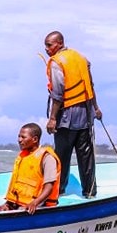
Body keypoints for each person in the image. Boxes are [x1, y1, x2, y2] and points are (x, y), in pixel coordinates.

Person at [44, 30, 101, 198]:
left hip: (67, 115)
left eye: (49, 45)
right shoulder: (81, 58)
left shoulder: (57, 62)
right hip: (85, 114)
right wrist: (96, 108)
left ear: (59, 44)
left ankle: (58, 191)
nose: (47, 49)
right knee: (86, 155)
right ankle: (90, 192)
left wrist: (53, 118)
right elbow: (90, 85)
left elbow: (58, 93)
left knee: (61, 155)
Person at [0, 123, 61, 214]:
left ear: (35, 139)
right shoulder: (23, 156)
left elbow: (49, 188)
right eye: (19, 136)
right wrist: (8, 203)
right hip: (17, 204)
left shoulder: (47, 158)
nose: (19, 140)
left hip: (38, 205)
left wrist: (34, 203)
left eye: (23, 137)